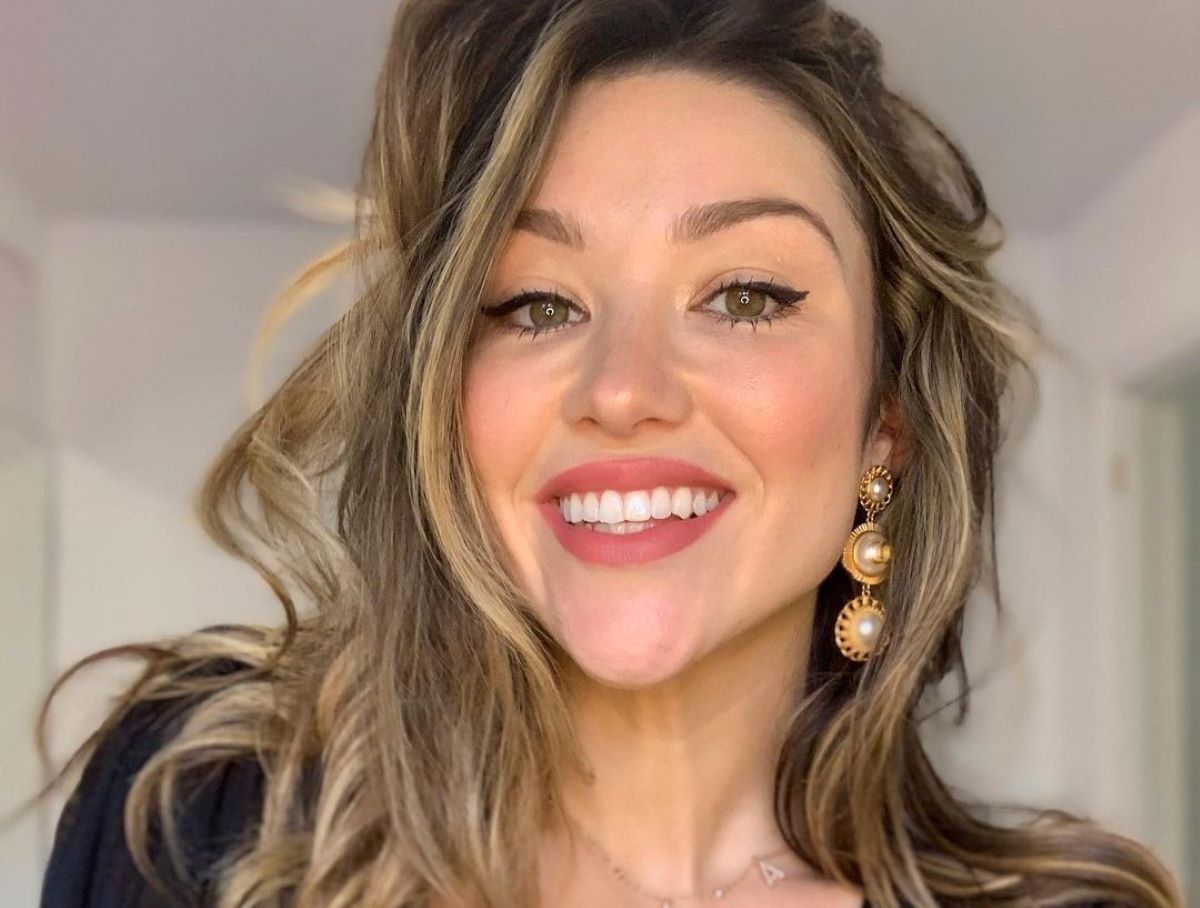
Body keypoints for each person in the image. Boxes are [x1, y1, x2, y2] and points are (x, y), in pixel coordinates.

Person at [26, 0, 1183, 906]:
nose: (623, 389)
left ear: (887, 415)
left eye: (744, 294)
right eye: (535, 304)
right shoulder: (195, 811)